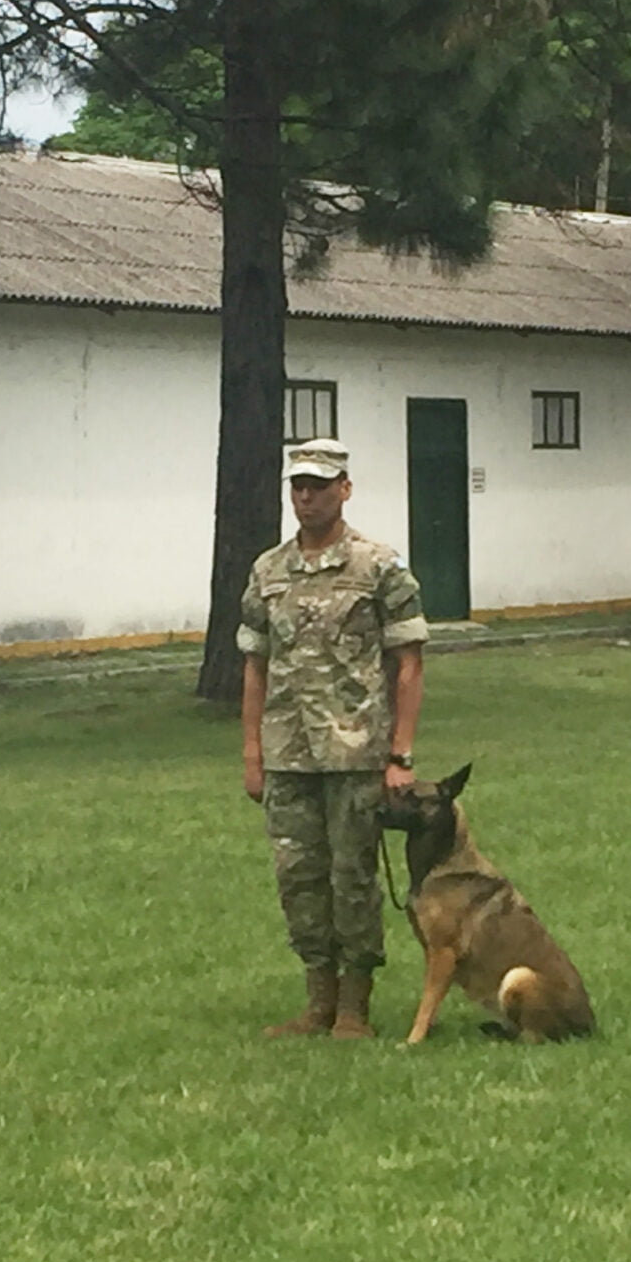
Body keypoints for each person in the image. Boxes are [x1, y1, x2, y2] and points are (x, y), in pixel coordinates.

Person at [238, 437, 428, 1040]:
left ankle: (354, 1008)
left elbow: (409, 663)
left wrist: (400, 754)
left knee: (353, 878)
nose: (306, 496)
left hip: (356, 754)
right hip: (289, 754)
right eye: (298, 486)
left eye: (319, 485)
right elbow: (255, 665)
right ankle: (317, 1002)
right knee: (298, 877)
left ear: (344, 489)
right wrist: (252, 751)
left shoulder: (379, 567)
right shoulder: (268, 571)